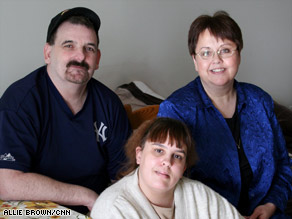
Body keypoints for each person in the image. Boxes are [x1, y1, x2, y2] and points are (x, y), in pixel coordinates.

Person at [157, 11, 292, 218]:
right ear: (194, 60)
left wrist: (271, 204)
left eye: (225, 50)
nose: (217, 60)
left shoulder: (260, 100)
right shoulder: (176, 109)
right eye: (206, 53)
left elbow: (283, 163)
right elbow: (168, 182)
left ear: (239, 54)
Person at [0, 7, 131, 214]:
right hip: (33, 209)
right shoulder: (20, 102)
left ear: (97, 59)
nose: (80, 56)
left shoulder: (109, 104)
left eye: (89, 48)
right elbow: (6, 183)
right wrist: (84, 195)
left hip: (96, 209)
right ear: (48, 53)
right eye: (69, 45)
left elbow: (123, 177)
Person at [90, 117, 244, 219]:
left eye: (177, 156)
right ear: (139, 155)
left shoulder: (199, 194)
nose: (167, 161)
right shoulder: (112, 209)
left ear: (184, 168)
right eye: (159, 151)